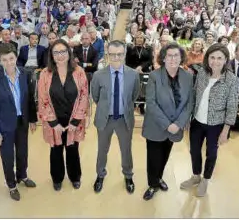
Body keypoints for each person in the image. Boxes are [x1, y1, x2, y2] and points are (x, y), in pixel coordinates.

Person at [180, 43, 239, 197]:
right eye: (212, 57)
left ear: (226, 59)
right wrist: (188, 117)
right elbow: (193, 96)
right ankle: (196, 176)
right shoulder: (202, 73)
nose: (215, 61)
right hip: (197, 121)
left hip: (216, 124)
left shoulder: (232, 80)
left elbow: (232, 106)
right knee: (194, 150)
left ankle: (206, 179)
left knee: (211, 153)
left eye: (220, 58)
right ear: (207, 58)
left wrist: (225, 131)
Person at [141, 43, 194, 200]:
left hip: (175, 126)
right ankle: (152, 184)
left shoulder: (188, 77)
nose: (173, 58)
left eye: (176, 55)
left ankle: (159, 178)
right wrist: (167, 125)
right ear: (163, 58)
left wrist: (178, 123)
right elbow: (150, 103)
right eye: (169, 55)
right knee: (153, 158)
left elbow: (189, 103)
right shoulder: (154, 76)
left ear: (181, 58)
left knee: (164, 156)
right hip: (156, 125)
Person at [0, 43, 38, 201]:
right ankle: (11, 185)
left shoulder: (24, 73)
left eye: (11, 58)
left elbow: (29, 98)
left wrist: (32, 119)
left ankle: (22, 175)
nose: (9, 63)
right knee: (8, 156)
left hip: (22, 121)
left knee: (23, 152)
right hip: (4, 125)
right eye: (4, 60)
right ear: (0, 60)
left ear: (16, 57)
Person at [37, 39, 89, 191]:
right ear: (51, 55)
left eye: (63, 51)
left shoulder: (79, 71)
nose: (60, 55)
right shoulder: (45, 74)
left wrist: (76, 121)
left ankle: (75, 176)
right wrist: (54, 123)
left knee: (73, 149)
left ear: (69, 53)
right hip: (54, 120)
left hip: (74, 120)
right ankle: (57, 178)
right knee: (56, 150)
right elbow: (43, 99)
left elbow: (84, 96)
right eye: (56, 52)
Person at [90, 40, 140, 194]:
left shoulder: (133, 75)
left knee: (126, 150)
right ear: (107, 55)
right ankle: (100, 175)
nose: (116, 58)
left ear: (124, 54)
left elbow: (134, 95)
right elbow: (96, 96)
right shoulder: (98, 75)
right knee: (102, 149)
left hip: (124, 119)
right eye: (112, 54)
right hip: (105, 119)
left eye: (119, 54)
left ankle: (128, 175)